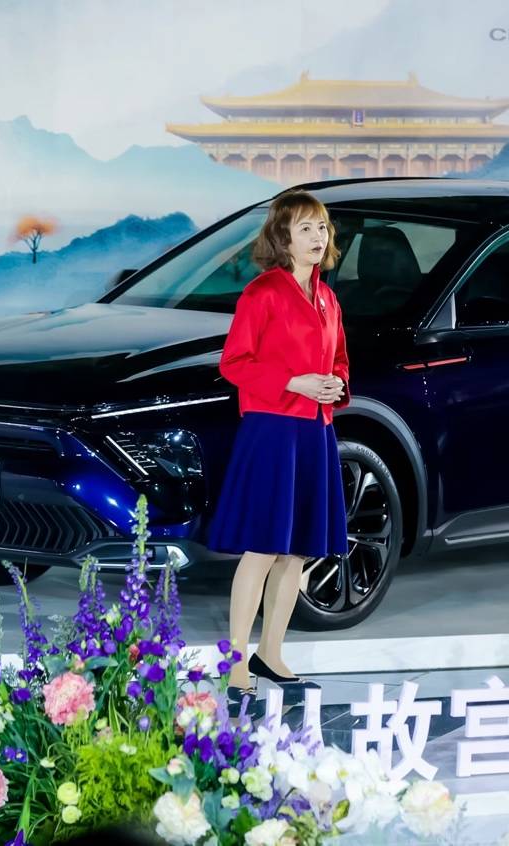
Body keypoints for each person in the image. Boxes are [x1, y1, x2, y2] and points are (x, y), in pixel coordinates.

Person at [206, 190, 350, 709]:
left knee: (298, 549)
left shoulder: (328, 298)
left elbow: (339, 361)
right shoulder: (262, 292)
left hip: (315, 429)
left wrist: (335, 385)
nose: (317, 237)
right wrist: (294, 382)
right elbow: (234, 363)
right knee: (263, 547)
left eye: (322, 227)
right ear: (282, 237)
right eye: (305, 228)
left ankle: (271, 652)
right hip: (272, 429)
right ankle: (236, 662)